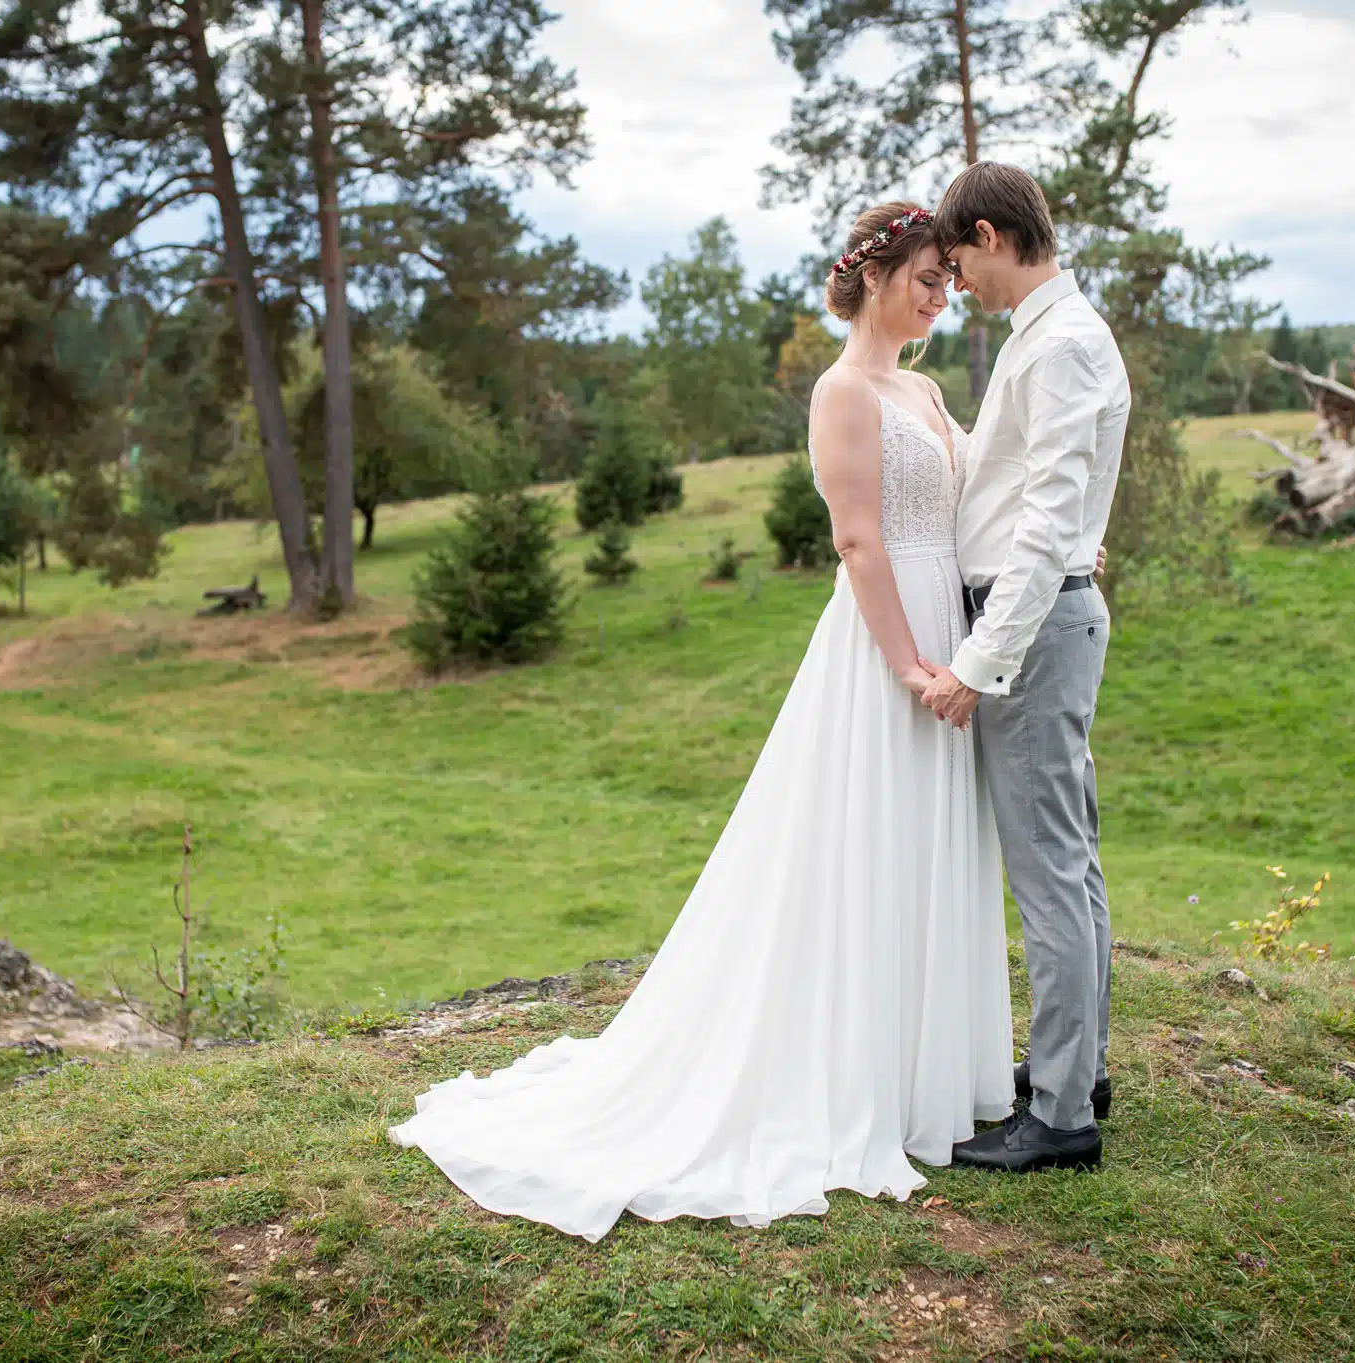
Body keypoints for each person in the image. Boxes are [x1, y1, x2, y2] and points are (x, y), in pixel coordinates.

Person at [389, 201, 1016, 1243]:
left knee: (929, 844)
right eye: (926, 276)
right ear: (873, 274)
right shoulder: (842, 390)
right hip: (886, 642)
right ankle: (842, 1071)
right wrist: (905, 660)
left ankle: (924, 1075)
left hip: (948, 621)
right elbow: (858, 541)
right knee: (866, 844)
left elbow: (974, 496)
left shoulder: (923, 387)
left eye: (950, 280)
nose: (940, 294)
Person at [919, 162, 1130, 1175]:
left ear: (993, 235)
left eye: (956, 258)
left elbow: (1047, 519)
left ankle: (1055, 1114)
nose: (954, 278)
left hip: (1033, 631)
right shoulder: (1048, 339)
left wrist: (977, 662)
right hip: (1049, 619)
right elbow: (1033, 493)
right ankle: (1072, 1069)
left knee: (1048, 873)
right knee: (1069, 863)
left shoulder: (1063, 344)